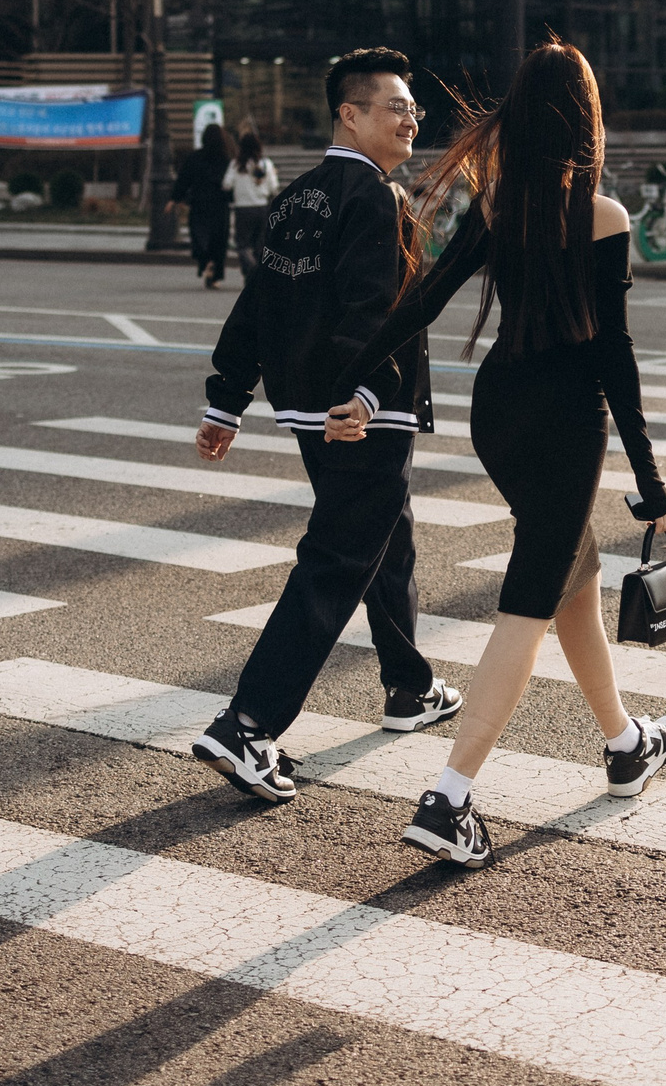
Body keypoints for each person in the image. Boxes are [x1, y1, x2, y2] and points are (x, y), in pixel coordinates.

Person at [324, 40, 666, 870]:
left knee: (573, 575)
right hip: (566, 424)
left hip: (499, 412)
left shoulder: (499, 207)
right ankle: (449, 797)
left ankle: (626, 740)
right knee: (528, 603)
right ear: (584, 117)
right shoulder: (602, 215)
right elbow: (614, 358)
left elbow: (422, 301)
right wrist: (652, 480)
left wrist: (349, 377)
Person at [189, 49, 463, 801]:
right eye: (395, 107)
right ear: (351, 112)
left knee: (386, 535)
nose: (411, 119)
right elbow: (380, 309)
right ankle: (247, 724)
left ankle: (409, 685)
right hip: (360, 412)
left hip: (313, 407)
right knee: (339, 557)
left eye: (413, 109)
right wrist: (371, 393)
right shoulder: (379, 199)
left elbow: (259, 305)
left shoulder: (296, 196)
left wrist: (227, 398)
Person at [173, 122, 234, 288]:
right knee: (219, 241)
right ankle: (215, 277)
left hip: (199, 204)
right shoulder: (226, 159)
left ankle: (205, 261)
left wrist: (175, 198)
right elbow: (231, 184)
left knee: (199, 237)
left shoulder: (194, 157)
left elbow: (183, 180)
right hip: (220, 205)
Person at [223, 128, 280, 284]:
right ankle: (255, 275)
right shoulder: (266, 164)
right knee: (259, 245)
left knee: (242, 244)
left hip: (243, 208)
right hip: (262, 207)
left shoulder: (236, 164)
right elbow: (273, 188)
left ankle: (251, 269)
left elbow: (227, 184)